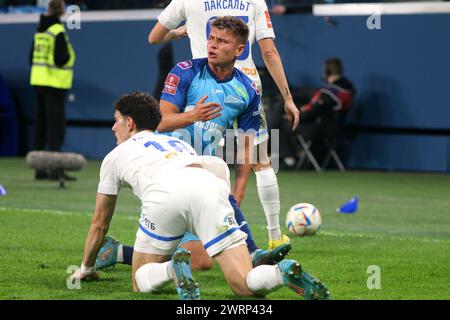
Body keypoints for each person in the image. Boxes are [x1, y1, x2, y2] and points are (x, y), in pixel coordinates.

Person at [70, 91, 330, 300]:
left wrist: (86, 269)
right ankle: (278, 274)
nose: (113, 127)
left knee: (140, 280)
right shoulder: (178, 143)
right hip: (209, 186)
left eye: (116, 120)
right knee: (243, 285)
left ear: (130, 123)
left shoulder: (114, 157)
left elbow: (100, 223)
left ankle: (172, 268)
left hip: (164, 195)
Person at [96, 16, 291, 272]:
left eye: (222, 41)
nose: (212, 45)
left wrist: (240, 188)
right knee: (200, 250)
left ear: (239, 50)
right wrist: (192, 116)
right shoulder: (185, 72)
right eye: (211, 38)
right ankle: (253, 254)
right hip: (167, 173)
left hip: (203, 173)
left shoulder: (247, 90)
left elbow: (248, 145)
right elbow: (159, 122)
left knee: (201, 261)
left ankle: (119, 252)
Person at [148, 0, 300, 250]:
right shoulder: (254, 1)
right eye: (213, 38)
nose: (214, 42)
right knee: (259, 161)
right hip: (246, 85)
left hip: (202, 86)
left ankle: (224, 237)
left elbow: (154, 37)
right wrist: (287, 98)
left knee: (195, 157)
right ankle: (273, 235)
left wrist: (177, 32)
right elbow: (269, 52)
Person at [29, 0, 76, 181]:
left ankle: (39, 169)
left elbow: (30, 57)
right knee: (55, 128)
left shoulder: (39, 30)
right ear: (62, 11)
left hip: (38, 81)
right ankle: (55, 170)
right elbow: (61, 58)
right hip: (55, 84)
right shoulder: (57, 30)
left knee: (40, 125)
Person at [297, 58, 355, 148]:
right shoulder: (347, 90)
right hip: (337, 128)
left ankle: (278, 160)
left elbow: (313, 112)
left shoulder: (330, 93)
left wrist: (295, 117)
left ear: (327, 72)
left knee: (278, 128)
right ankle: (287, 157)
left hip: (324, 130)